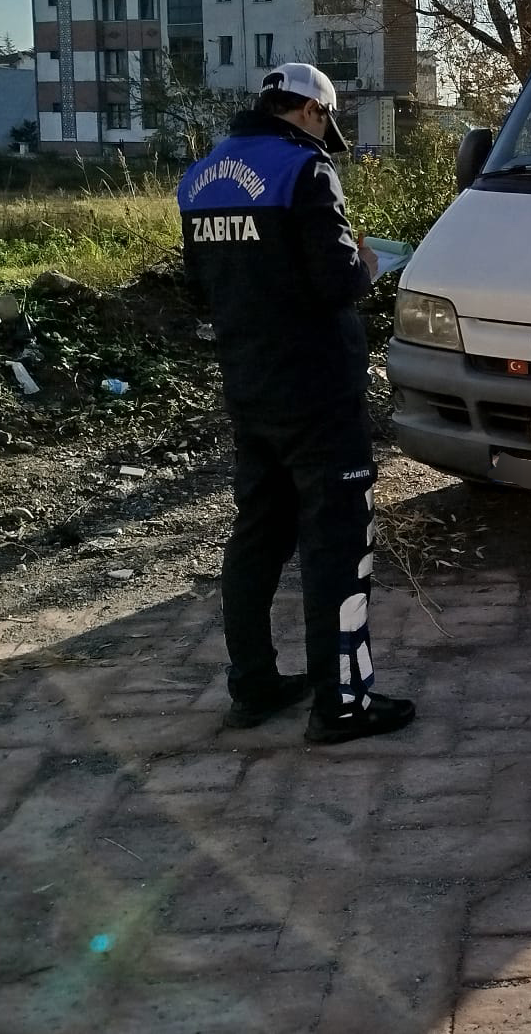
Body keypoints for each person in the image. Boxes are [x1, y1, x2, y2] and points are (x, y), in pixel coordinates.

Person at [176, 63, 415, 745]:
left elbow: (201, 285)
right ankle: (343, 704)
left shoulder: (200, 177)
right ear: (311, 113)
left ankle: (252, 686)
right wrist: (368, 267)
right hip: (317, 392)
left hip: (249, 386)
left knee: (256, 537)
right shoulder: (304, 171)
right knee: (337, 543)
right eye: (325, 126)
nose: (325, 138)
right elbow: (335, 281)